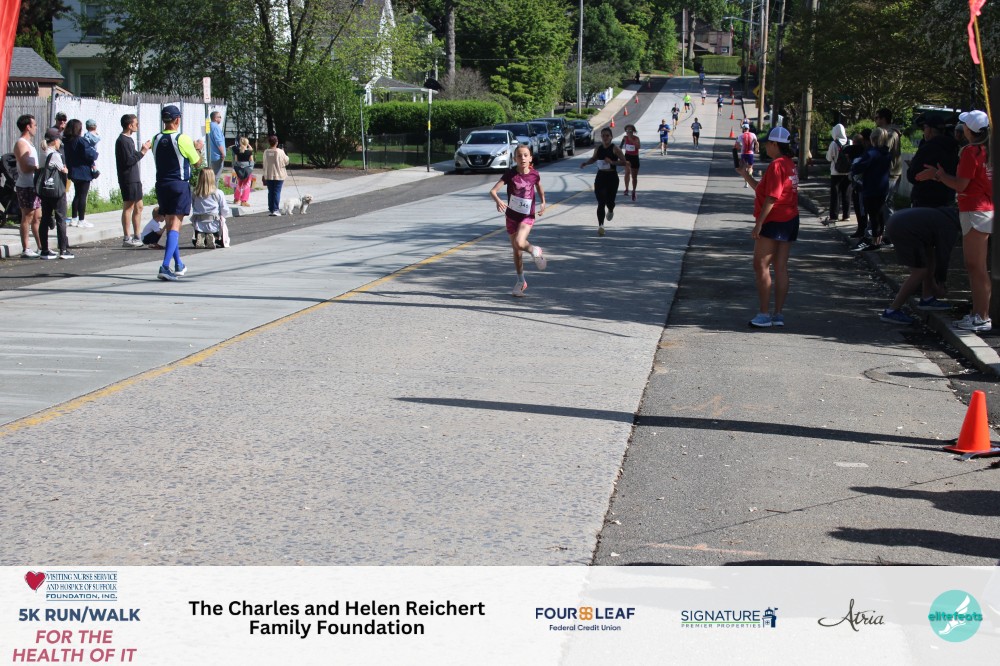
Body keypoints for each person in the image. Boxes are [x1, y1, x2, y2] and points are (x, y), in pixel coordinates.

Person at [916, 110, 993, 332]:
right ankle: (979, 314)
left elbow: (960, 185)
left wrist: (938, 175)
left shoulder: (970, 151)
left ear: (969, 130)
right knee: (977, 266)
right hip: (984, 209)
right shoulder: (987, 150)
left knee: (975, 266)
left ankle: (981, 316)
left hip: (974, 211)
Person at [737, 126, 800, 328]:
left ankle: (764, 314)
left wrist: (759, 224)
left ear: (775, 144)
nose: (764, 147)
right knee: (780, 267)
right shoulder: (789, 163)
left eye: (767, 144)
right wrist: (746, 175)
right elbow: (764, 191)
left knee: (761, 265)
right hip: (790, 218)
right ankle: (778, 314)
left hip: (774, 220)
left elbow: (771, 198)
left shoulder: (776, 165)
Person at [878, 206, 960, 325]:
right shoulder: (950, 226)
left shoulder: (947, 214)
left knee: (930, 256)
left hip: (899, 222)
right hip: (905, 229)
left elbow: (936, 255)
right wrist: (941, 284)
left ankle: (927, 298)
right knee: (919, 271)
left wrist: (935, 284)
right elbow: (943, 256)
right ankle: (892, 311)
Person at [152, 104, 204, 281]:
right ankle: (165, 266)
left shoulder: (156, 138)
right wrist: (197, 148)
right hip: (179, 184)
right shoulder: (182, 138)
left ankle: (178, 264)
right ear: (177, 120)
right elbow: (197, 163)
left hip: (161, 184)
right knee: (176, 225)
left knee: (169, 224)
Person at [489, 145, 547, 297]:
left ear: (530, 158)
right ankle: (521, 282)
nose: (522, 158)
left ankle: (535, 250)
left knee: (520, 242)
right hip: (511, 217)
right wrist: (498, 201)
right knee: (516, 250)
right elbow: (493, 191)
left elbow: (539, 187)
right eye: (519, 156)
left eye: (525, 155)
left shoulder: (534, 174)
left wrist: (543, 202)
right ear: (515, 158)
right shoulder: (510, 174)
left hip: (527, 216)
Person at [850, 127, 892, 251]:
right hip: (883, 187)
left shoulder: (871, 153)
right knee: (880, 214)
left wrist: (854, 166)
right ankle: (879, 239)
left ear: (873, 139)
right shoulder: (887, 153)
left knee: (873, 216)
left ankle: (874, 241)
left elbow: (858, 168)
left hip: (871, 187)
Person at [580, 126, 626, 236]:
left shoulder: (615, 149)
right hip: (601, 177)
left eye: (607, 136)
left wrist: (612, 162)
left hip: (612, 177)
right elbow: (594, 158)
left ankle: (610, 209)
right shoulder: (598, 148)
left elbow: (624, 162)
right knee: (601, 202)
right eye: (603, 136)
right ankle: (601, 226)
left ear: (611, 137)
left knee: (610, 202)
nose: (605, 138)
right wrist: (586, 163)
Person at [115, 113, 151, 248]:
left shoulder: (129, 140)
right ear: (130, 125)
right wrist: (142, 152)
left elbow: (132, 156)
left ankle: (137, 235)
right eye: (136, 123)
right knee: (129, 206)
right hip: (127, 178)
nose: (137, 126)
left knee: (139, 206)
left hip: (135, 177)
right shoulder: (122, 141)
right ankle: (126, 237)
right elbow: (128, 161)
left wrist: (142, 150)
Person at [37, 128, 72, 259]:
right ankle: (63, 250)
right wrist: (66, 170)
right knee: (60, 219)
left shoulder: (42, 153)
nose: (60, 143)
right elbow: (63, 170)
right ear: (55, 141)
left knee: (45, 218)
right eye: (59, 140)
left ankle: (44, 250)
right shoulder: (55, 155)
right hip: (56, 191)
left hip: (45, 190)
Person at [12, 114, 41, 257]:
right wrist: (38, 168)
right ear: (28, 127)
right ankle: (26, 248)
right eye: (34, 125)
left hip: (34, 184)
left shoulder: (30, 143)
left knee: (38, 217)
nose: (36, 128)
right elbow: (24, 167)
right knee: (27, 216)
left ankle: (41, 247)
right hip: (26, 185)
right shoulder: (21, 143)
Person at [62, 119, 97, 229]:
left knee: (77, 194)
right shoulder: (81, 140)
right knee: (82, 196)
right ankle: (81, 220)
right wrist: (95, 153)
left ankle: (74, 218)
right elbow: (90, 154)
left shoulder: (67, 141)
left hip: (73, 171)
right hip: (83, 171)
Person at [190, 168, 232, 249]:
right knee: (222, 238)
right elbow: (225, 210)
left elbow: (193, 206)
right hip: (214, 224)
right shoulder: (218, 193)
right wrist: (223, 215)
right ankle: (214, 237)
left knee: (197, 237)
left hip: (199, 224)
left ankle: (201, 236)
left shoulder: (195, 193)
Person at [824, 124, 852, 224]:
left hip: (835, 172)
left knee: (835, 195)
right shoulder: (850, 142)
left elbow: (828, 158)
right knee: (847, 194)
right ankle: (846, 215)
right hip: (848, 172)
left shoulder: (834, 143)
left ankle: (834, 216)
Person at [845, 129, 870, 238]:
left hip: (860, 183)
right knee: (862, 208)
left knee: (860, 208)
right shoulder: (867, 151)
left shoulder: (861, 151)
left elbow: (845, 150)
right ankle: (863, 229)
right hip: (862, 182)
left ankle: (862, 229)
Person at [262, 135, 289, 216]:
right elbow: (286, 161)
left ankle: (271, 209)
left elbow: (264, 163)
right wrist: (284, 153)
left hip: (268, 174)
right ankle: (275, 209)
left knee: (270, 192)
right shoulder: (280, 152)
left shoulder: (266, 152)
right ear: (276, 142)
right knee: (277, 192)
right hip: (279, 174)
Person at [231, 137, 254, 206]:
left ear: (240, 143)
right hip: (247, 170)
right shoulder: (249, 152)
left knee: (238, 184)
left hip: (238, 170)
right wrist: (248, 146)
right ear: (247, 143)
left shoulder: (237, 151)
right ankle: (244, 200)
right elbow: (251, 161)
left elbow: (236, 161)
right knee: (247, 185)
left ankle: (236, 199)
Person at [619, 124, 640, 201]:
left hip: (635, 158)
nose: (628, 132)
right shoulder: (624, 138)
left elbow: (638, 147)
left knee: (634, 176)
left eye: (630, 130)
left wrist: (632, 140)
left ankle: (634, 191)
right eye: (627, 130)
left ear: (633, 131)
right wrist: (619, 154)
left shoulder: (636, 138)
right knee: (627, 173)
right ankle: (626, 189)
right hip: (627, 157)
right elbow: (620, 147)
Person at [739, 123, 758, 188]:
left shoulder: (741, 136)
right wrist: (757, 149)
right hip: (750, 154)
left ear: (743, 129)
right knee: (750, 167)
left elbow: (737, 145)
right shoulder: (753, 135)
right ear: (748, 129)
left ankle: (746, 183)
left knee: (744, 168)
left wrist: (739, 147)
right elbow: (756, 142)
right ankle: (750, 174)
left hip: (743, 153)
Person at [208, 111, 226, 181]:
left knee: (211, 176)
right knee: (216, 177)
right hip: (217, 156)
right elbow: (218, 141)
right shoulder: (216, 127)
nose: (221, 118)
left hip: (212, 155)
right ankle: (214, 188)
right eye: (220, 117)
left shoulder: (210, 126)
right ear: (215, 118)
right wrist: (223, 153)